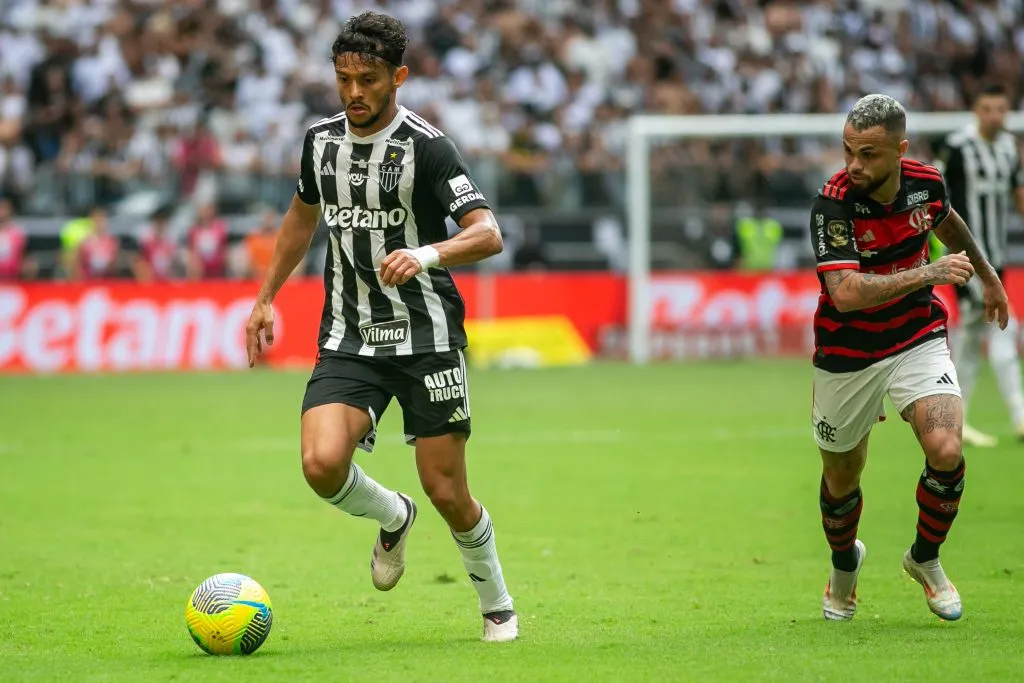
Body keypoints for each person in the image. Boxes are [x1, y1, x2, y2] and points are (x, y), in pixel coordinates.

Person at [243, 12, 517, 642]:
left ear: (399, 77)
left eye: (367, 80)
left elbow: (488, 233)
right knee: (321, 464)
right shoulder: (320, 143)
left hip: (427, 337)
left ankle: (497, 604)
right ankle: (394, 515)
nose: (354, 92)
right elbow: (300, 218)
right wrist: (265, 298)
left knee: (447, 490)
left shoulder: (428, 147)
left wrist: (427, 253)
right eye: (344, 79)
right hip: (350, 334)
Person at [808, 94, 1008, 622]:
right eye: (848, 151)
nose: (854, 165)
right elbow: (846, 293)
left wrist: (988, 276)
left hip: (916, 335)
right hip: (848, 351)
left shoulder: (926, 182)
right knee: (842, 478)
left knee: (946, 448)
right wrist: (929, 273)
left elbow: (947, 222)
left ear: (900, 150)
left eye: (868, 154)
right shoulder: (833, 203)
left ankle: (924, 558)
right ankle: (844, 565)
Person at [934, 84, 1024, 447]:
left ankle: (954, 420)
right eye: (988, 109)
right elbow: (934, 197)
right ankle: (1019, 415)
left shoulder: (1008, 149)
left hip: (996, 259)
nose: (995, 116)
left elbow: (1018, 196)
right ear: (976, 111)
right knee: (1004, 326)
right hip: (966, 260)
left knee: (972, 338)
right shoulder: (957, 148)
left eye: (1001, 109)